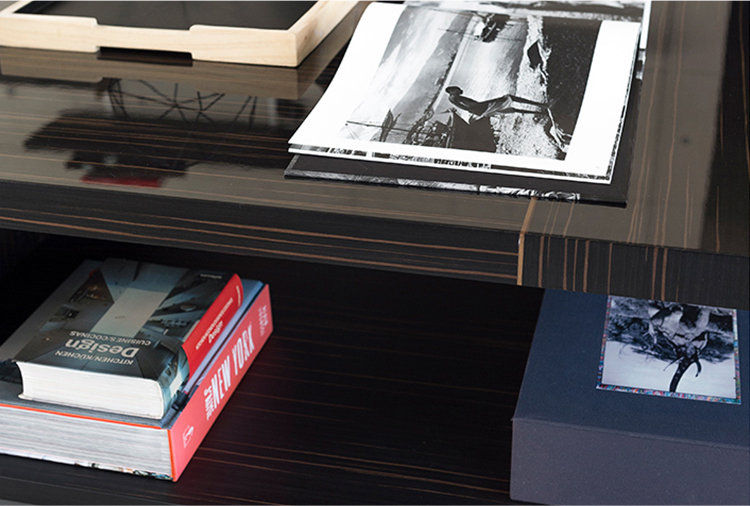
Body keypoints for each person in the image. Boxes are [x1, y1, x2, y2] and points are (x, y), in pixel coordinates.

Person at [444, 86, 548, 118]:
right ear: (451, 91)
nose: (458, 91)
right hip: (482, 108)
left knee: (511, 109)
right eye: (456, 90)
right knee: (509, 97)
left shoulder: (453, 98)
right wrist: (493, 100)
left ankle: (541, 113)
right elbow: (471, 106)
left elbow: (468, 108)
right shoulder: (454, 97)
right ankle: (541, 105)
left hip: (480, 111)